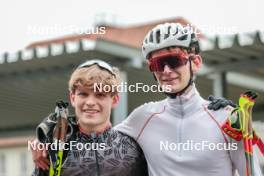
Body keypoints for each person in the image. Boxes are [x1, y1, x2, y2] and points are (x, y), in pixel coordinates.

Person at [115, 23, 262, 176]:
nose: (166, 71)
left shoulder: (229, 120)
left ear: (196, 63)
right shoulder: (142, 117)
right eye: (157, 64)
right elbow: (99, 147)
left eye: (173, 60)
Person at [31, 59, 148, 176]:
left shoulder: (134, 149)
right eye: (83, 94)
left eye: (100, 94)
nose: (90, 102)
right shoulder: (54, 149)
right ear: (72, 98)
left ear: (115, 99)